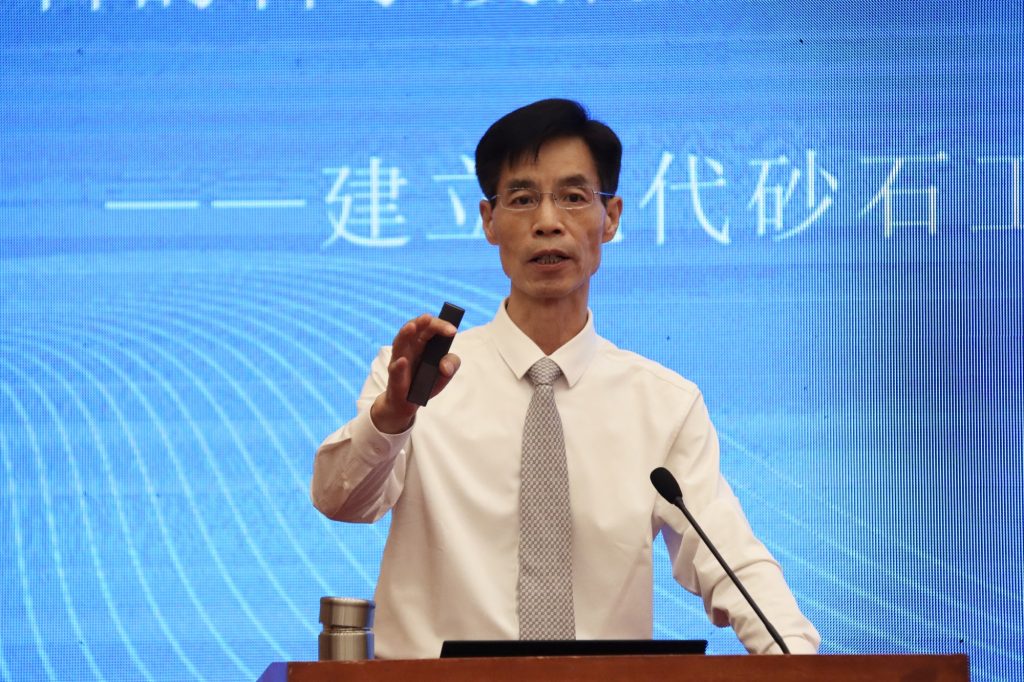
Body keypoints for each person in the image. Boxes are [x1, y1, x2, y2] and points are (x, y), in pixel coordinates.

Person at [311, 98, 820, 659]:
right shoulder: (415, 379)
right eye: (522, 198)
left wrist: (797, 661)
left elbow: (730, 559)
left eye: (574, 197)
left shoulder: (662, 403)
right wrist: (394, 416)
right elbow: (341, 501)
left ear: (612, 217)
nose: (548, 221)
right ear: (489, 220)